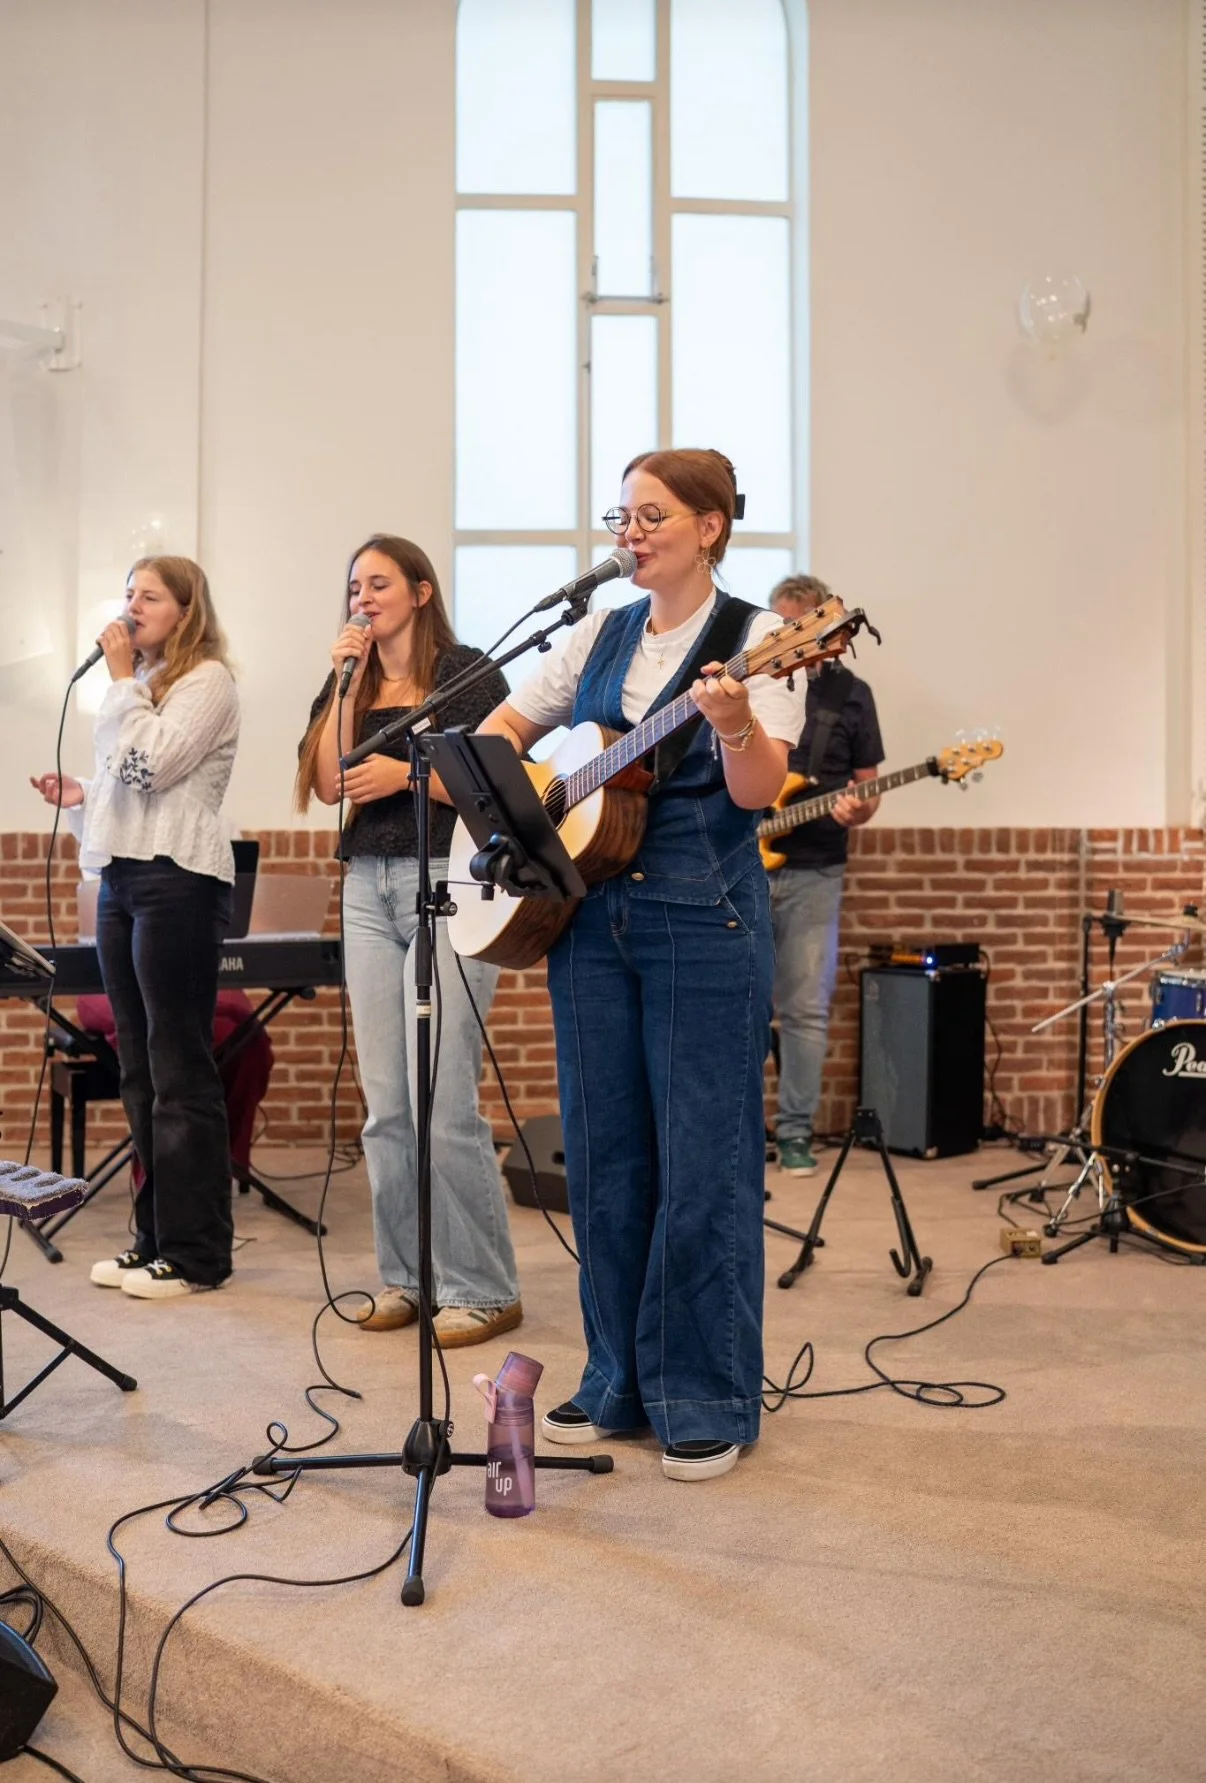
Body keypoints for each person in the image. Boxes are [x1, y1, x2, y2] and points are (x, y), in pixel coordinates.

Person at [476, 449, 806, 1482]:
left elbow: (757, 790)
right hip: (587, 913)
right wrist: (547, 785)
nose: (632, 529)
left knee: (703, 1159)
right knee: (607, 1159)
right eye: (623, 514)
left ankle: (704, 1392)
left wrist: (735, 721)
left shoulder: (762, 639)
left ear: (710, 526)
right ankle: (618, 1379)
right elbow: (497, 736)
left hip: (701, 915)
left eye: (654, 513)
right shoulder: (599, 631)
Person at [296, 534, 521, 1347]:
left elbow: (497, 774)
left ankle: (484, 1286)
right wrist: (346, 685)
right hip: (367, 886)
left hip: (450, 876)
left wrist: (408, 776)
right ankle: (406, 1277)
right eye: (354, 583)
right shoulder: (350, 677)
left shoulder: (467, 673)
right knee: (387, 1103)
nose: (363, 595)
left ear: (421, 591)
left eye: (379, 581)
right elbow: (327, 781)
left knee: (442, 1097)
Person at [30, 556, 241, 1299]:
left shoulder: (207, 681)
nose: (131, 606)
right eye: (128, 593)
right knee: (139, 1068)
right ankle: (153, 1238)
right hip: (124, 877)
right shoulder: (141, 688)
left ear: (186, 611)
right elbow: (125, 790)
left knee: (180, 1066)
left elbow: (151, 769)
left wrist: (119, 684)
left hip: (177, 878)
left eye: (149, 595)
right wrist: (83, 793)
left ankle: (197, 1254)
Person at [764, 573, 884, 1176]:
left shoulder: (851, 694)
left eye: (801, 628)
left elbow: (869, 789)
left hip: (816, 869)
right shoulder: (752, 680)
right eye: (782, 627)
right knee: (738, 1006)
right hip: (743, 866)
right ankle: (736, 1130)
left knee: (805, 1008)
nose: (791, 638)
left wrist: (859, 808)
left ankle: (795, 1133)